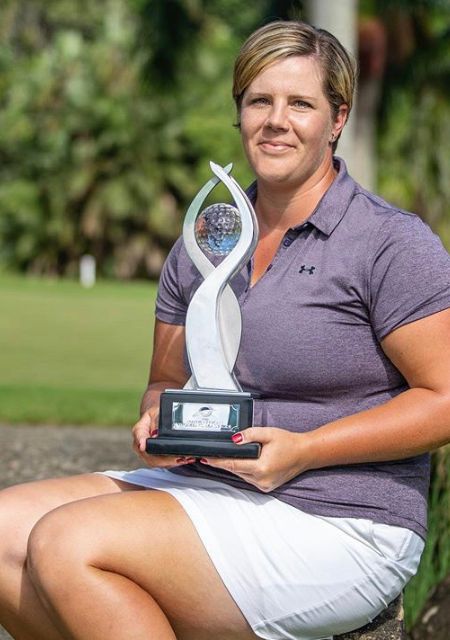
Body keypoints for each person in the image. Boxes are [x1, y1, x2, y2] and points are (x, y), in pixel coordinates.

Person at [0, 19, 449, 640]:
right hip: (204, 486)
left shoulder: (389, 243)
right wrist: (157, 417)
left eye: (300, 103)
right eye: (259, 100)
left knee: (68, 541)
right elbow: (164, 379)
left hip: (339, 515)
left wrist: (304, 450)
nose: (275, 120)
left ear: (337, 118)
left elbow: (444, 401)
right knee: (2, 532)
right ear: (239, 112)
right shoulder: (203, 238)